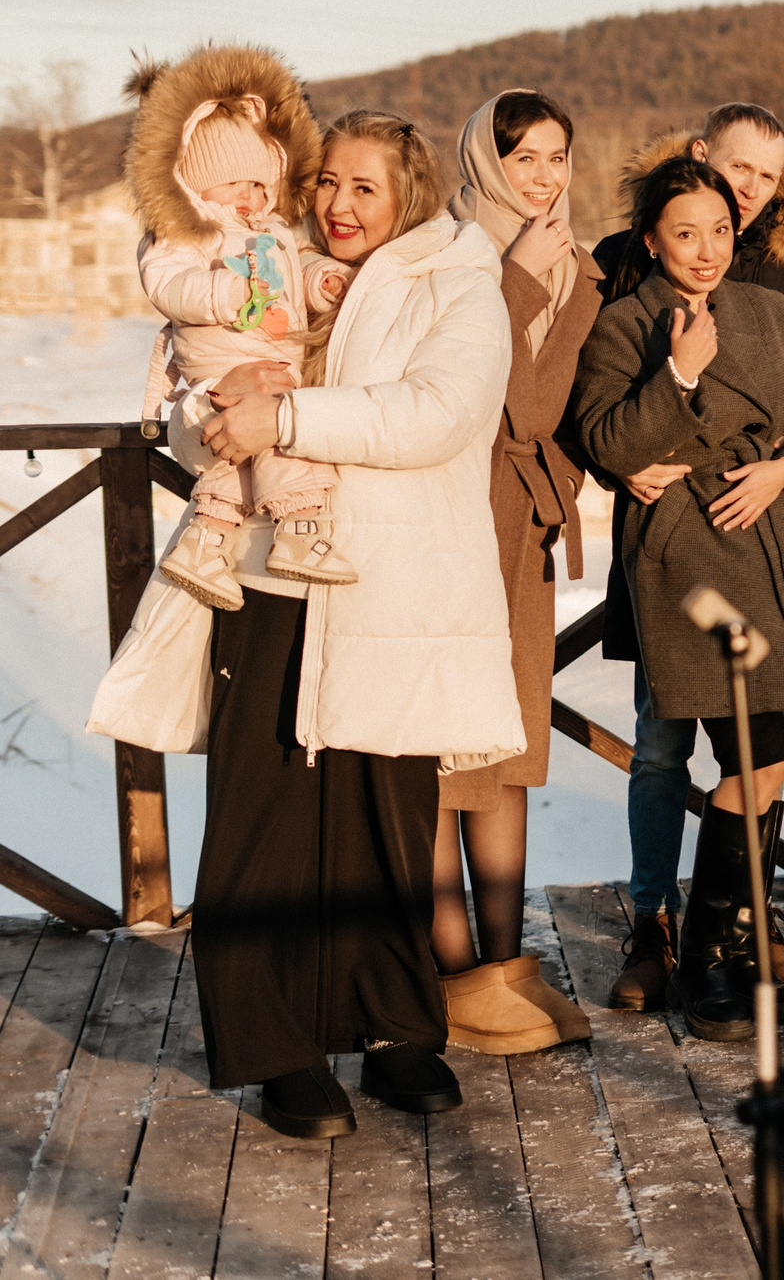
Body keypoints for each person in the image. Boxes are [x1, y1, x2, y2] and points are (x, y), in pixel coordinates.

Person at [92, 92, 521, 1141]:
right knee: (261, 819)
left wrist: (284, 413)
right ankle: (276, 1044)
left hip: (390, 585)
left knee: (385, 812)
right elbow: (207, 418)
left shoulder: (457, 286)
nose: (335, 202)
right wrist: (220, 421)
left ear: (407, 195)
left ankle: (392, 1022)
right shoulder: (270, 266)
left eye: (362, 187)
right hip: (265, 578)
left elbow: (435, 413)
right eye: (325, 180)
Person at [573, 155, 784, 1042]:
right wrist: (680, 377)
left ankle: (728, 943)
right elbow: (608, 436)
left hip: (775, 545)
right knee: (744, 754)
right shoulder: (626, 325)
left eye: (720, 230)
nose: (704, 250)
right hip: (690, 559)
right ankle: (708, 955)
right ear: (652, 239)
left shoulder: (771, 311)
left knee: (769, 759)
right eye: (684, 233)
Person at [431, 90, 602, 1054]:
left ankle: (506, 964)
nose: (544, 177)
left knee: (506, 752)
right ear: (489, 163)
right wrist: (518, 284)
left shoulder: (574, 270)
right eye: (525, 158)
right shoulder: (450, 257)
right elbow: (500, 404)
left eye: (556, 157)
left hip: (522, 534)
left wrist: (567, 477)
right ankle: (452, 972)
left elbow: (551, 417)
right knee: (439, 756)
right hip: (449, 527)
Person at [129, 59, 357, 609]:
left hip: (270, 360)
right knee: (284, 434)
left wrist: (319, 281)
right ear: (197, 182)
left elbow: (288, 274)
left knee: (237, 460)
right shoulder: (188, 235)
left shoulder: (272, 231)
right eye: (238, 183)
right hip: (219, 366)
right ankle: (301, 533)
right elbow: (166, 284)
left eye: (260, 184)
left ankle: (203, 545)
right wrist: (220, 294)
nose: (252, 197)